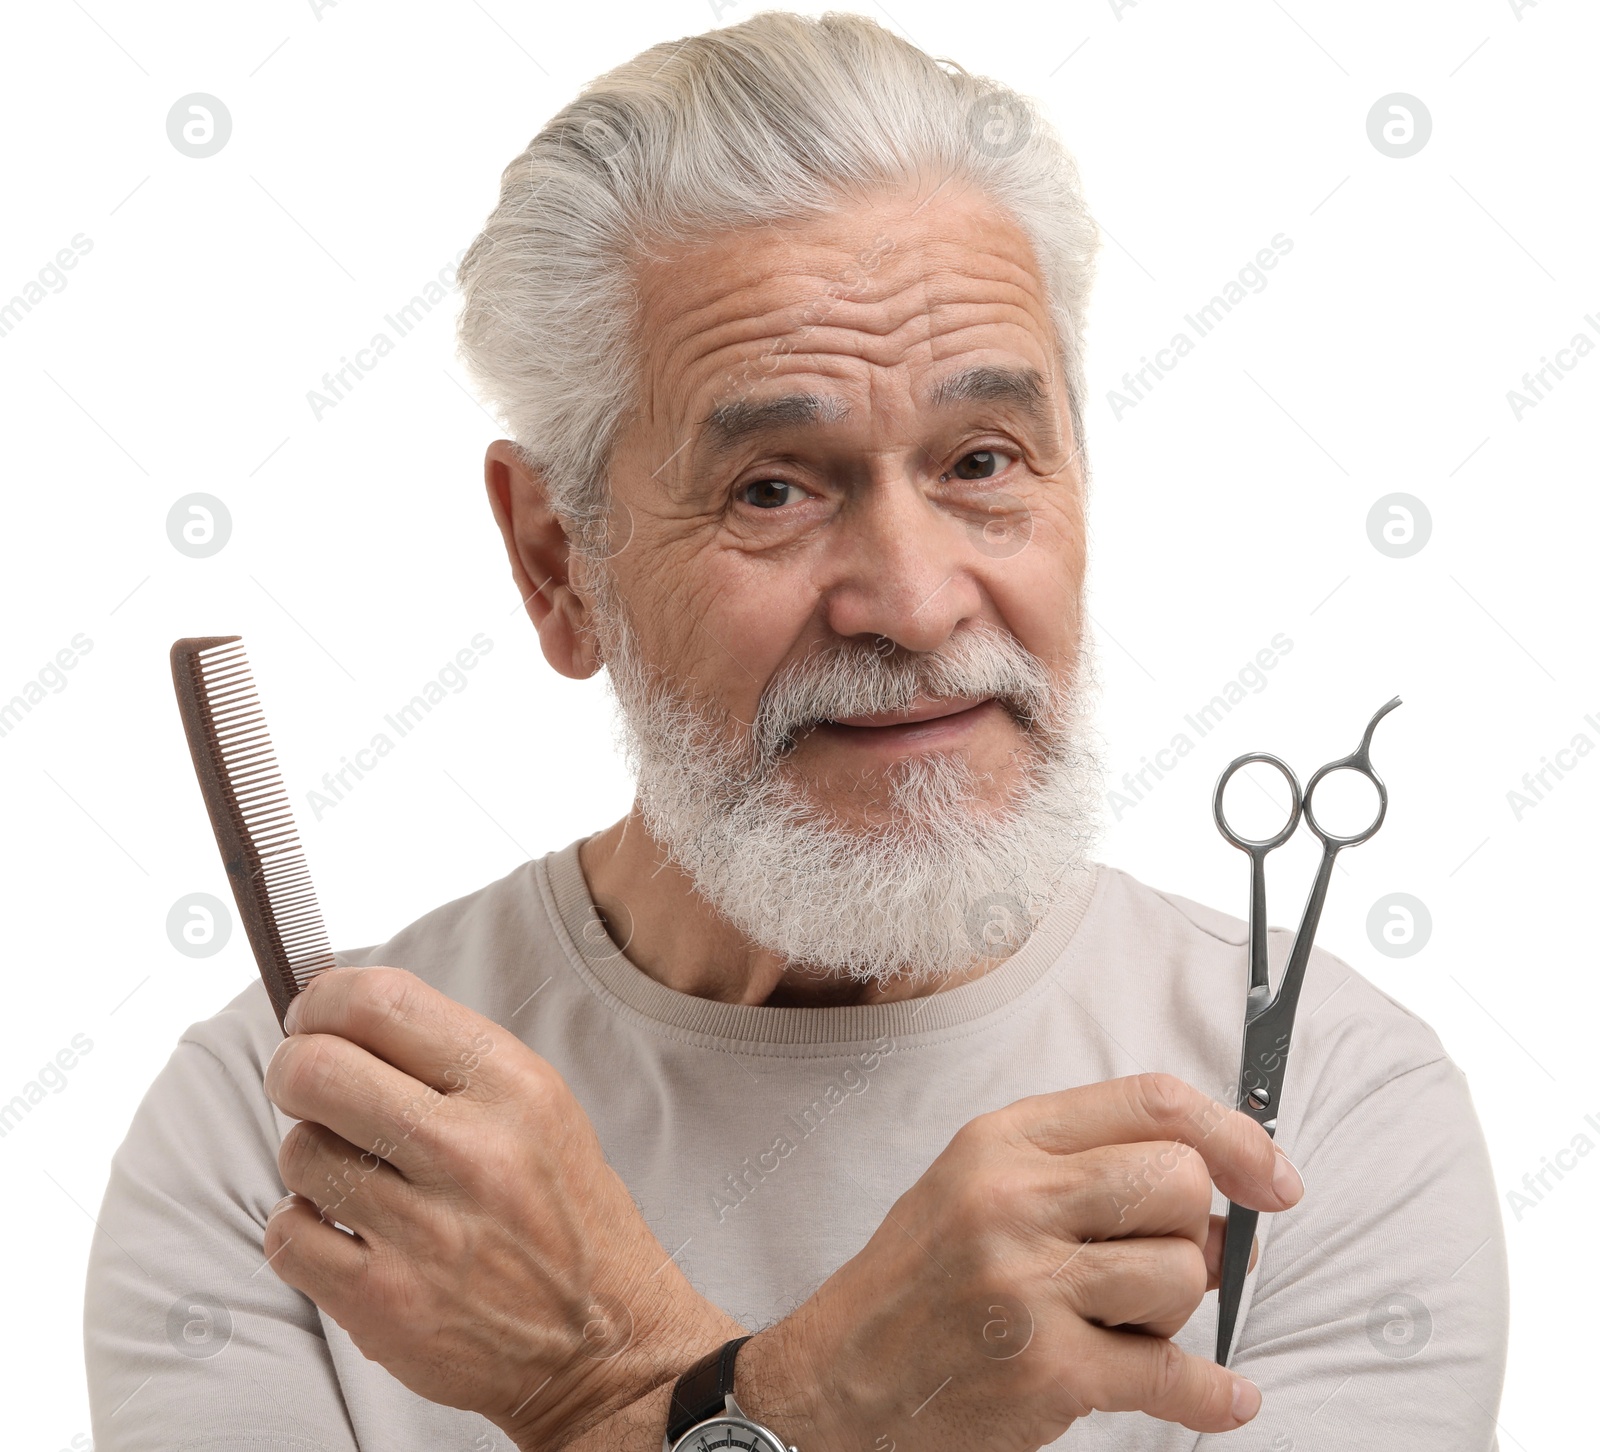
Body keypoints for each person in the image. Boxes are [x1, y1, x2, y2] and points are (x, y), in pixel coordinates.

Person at [84, 12, 1508, 1451]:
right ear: (558, 565)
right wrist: (807, 1398)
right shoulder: (276, 1144)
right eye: (773, 488)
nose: (914, 599)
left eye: (981, 461)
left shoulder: (1333, 1111)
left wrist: (611, 1380)